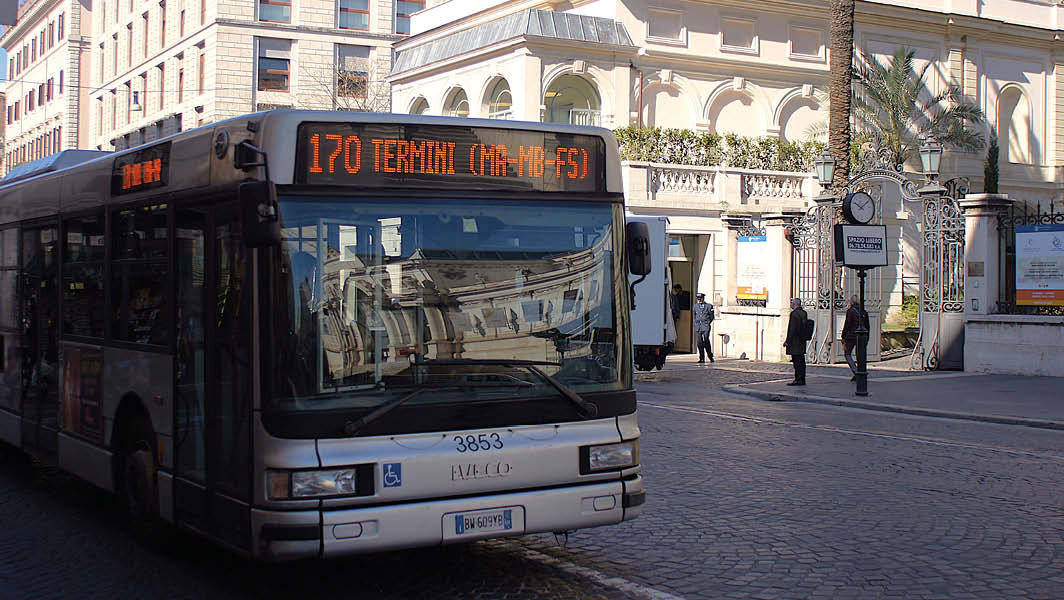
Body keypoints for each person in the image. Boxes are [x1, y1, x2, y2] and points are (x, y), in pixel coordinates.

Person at [784, 297, 807, 385]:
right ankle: (802, 378)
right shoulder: (804, 313)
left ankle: (798, 379)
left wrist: (787, 341)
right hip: (802, 340)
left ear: (794, 304)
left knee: (796, 362)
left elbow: (791, 329)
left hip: (795, 341)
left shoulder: (794, 314)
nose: (791, 305)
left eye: (792, 303)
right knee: (801, 361)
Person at [841, 295, 860, 382]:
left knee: (847, 354)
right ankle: (860, 371)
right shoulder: (863, 311)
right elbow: (867, 325)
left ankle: (856, 371)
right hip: (861, 336)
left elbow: (847, 324)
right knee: (860, 355)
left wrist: (843, 336)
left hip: (851, 336)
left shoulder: (850, 311)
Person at [693, 292, 714, 363]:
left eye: (701, 299)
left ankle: (710, 356)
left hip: (705, 326)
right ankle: (701, 358)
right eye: (698, 299)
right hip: (698, 326)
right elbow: (694, 316)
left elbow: (711, 316)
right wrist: (696, 323)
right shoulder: (695, 306)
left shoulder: (709, 306)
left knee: (706, 340)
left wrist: (707, 322)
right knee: (699, 342)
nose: (699, 300)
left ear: (703, 299)